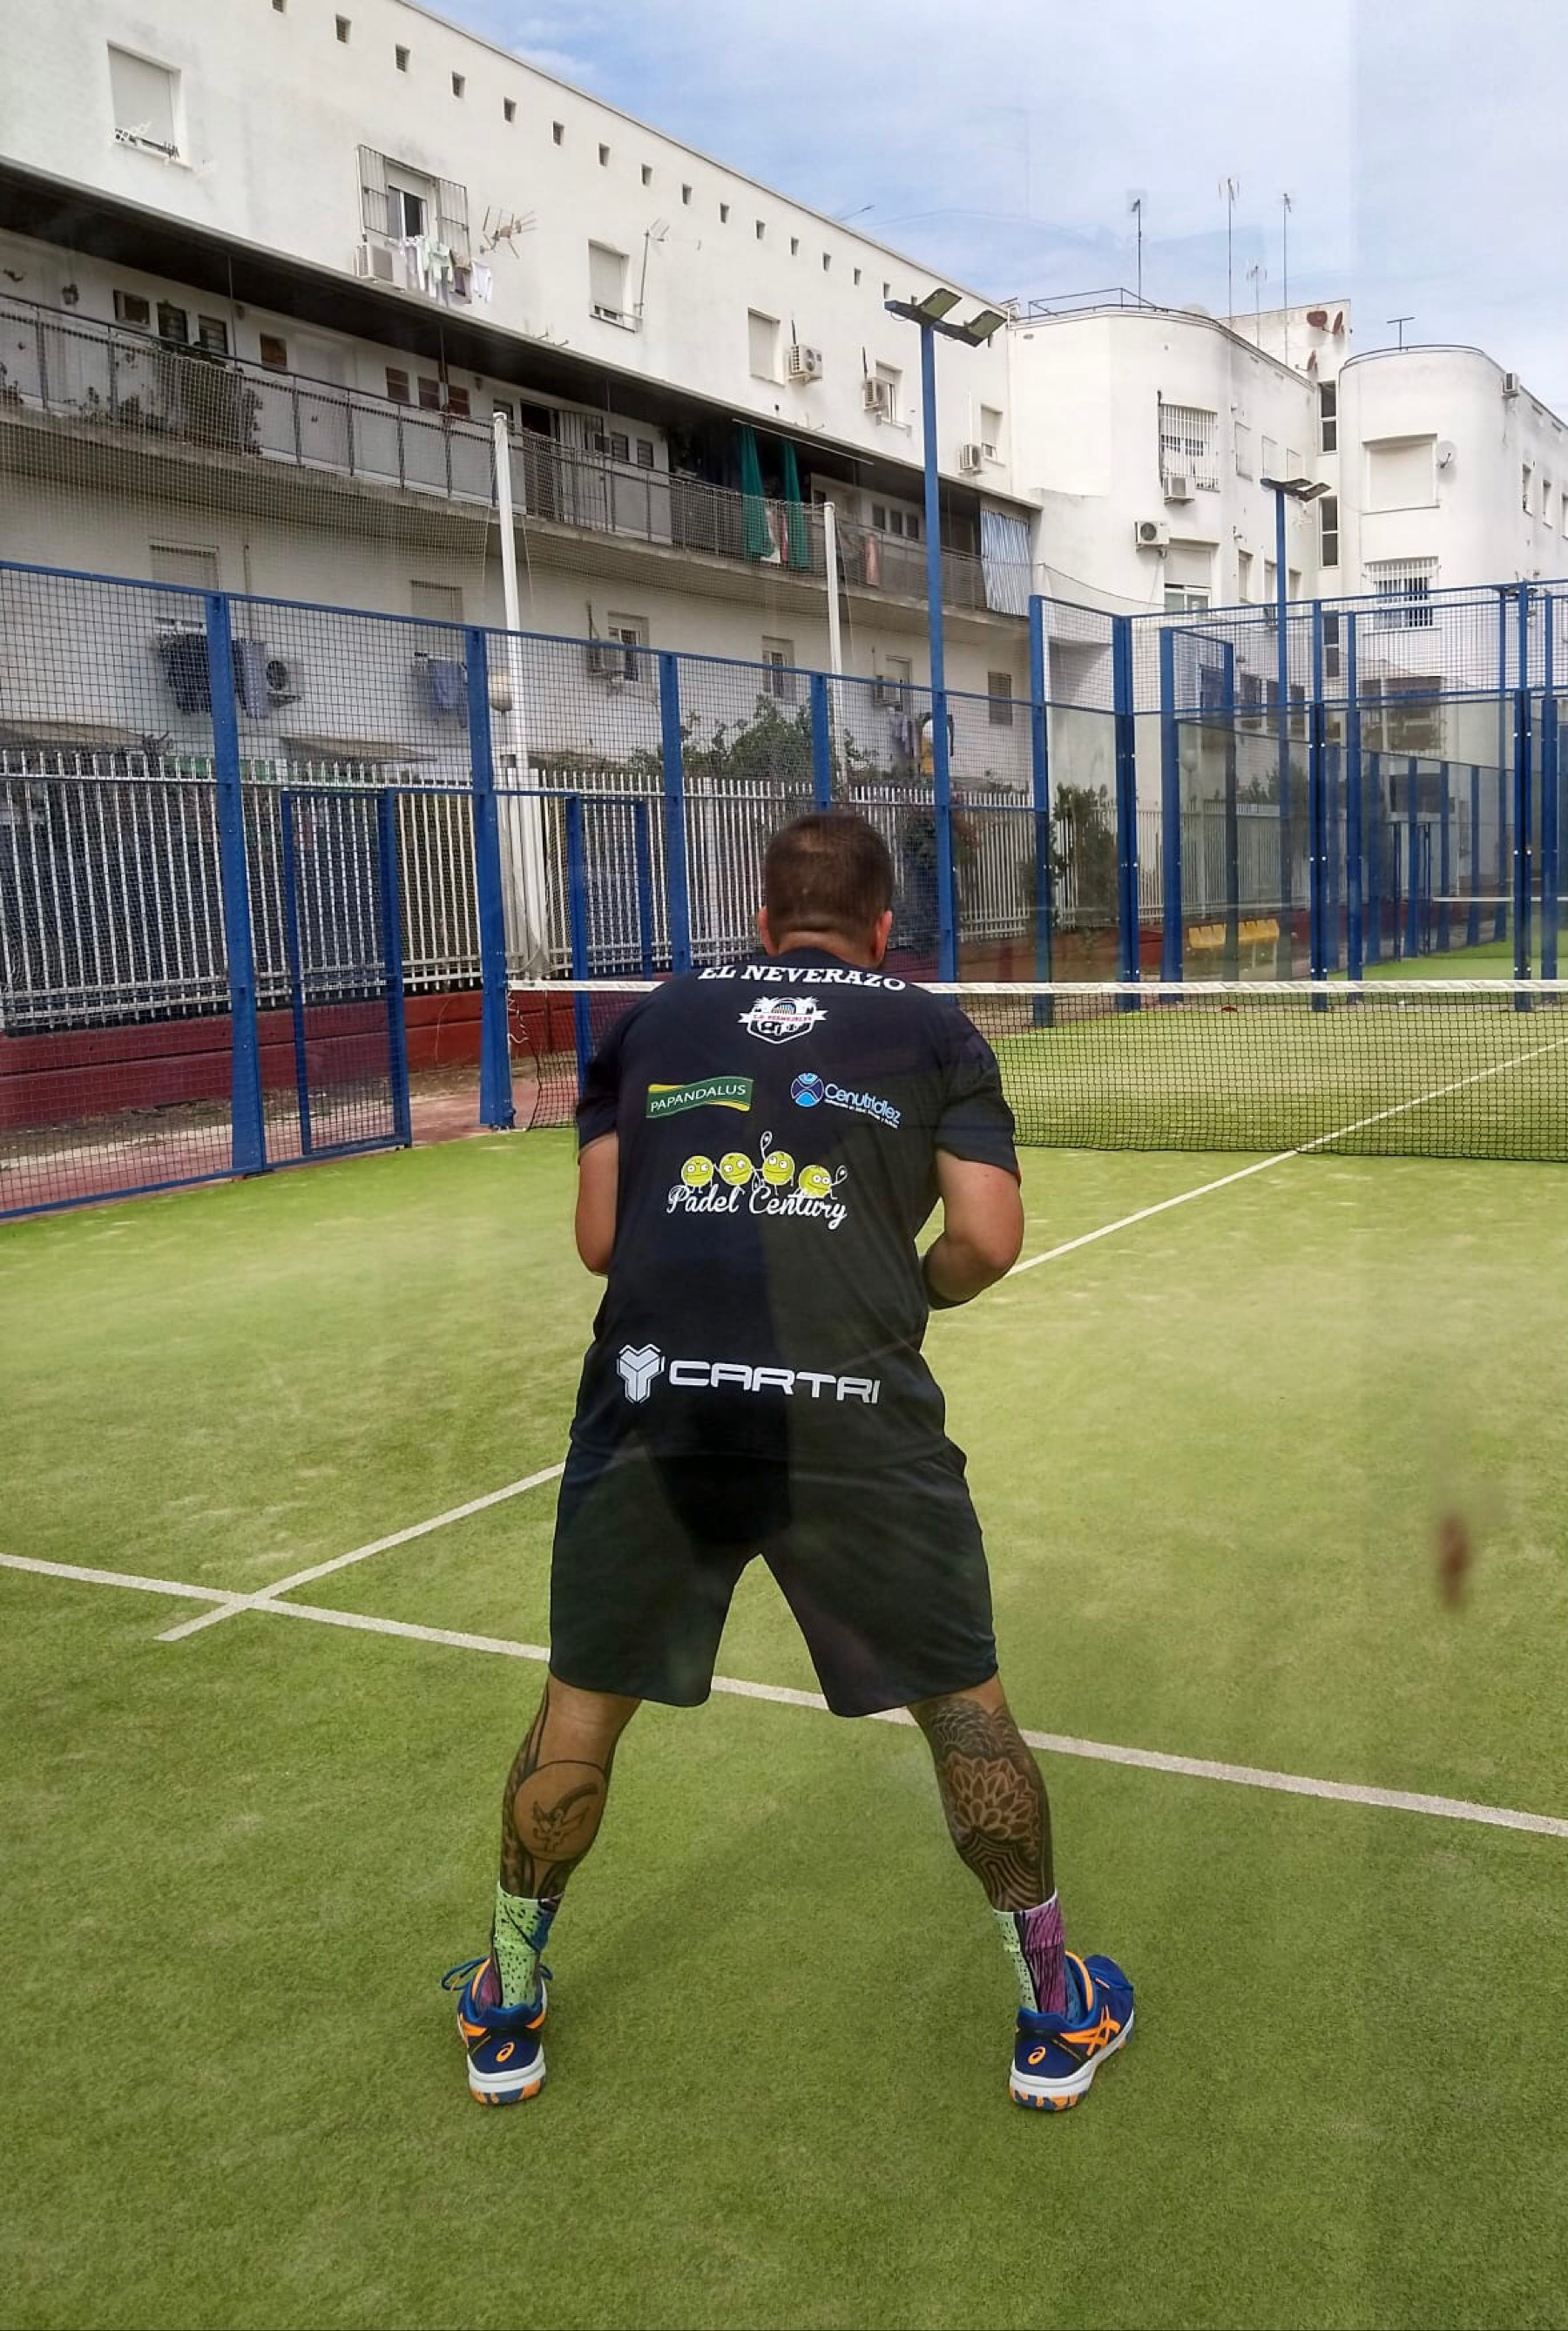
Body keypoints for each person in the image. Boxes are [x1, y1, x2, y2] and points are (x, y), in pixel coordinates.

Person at [443, 812, 1132, 2111]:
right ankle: (1055, 2013)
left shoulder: (648, 1024)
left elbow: (601, 1242)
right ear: (884, 928)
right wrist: (911, 1288)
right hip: (853, 1417)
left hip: (654, 1413)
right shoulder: (935, 1029)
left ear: (762, 922)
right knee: (965, 1711)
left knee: (579, 1709)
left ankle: (507, 2000)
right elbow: (987, 1238)